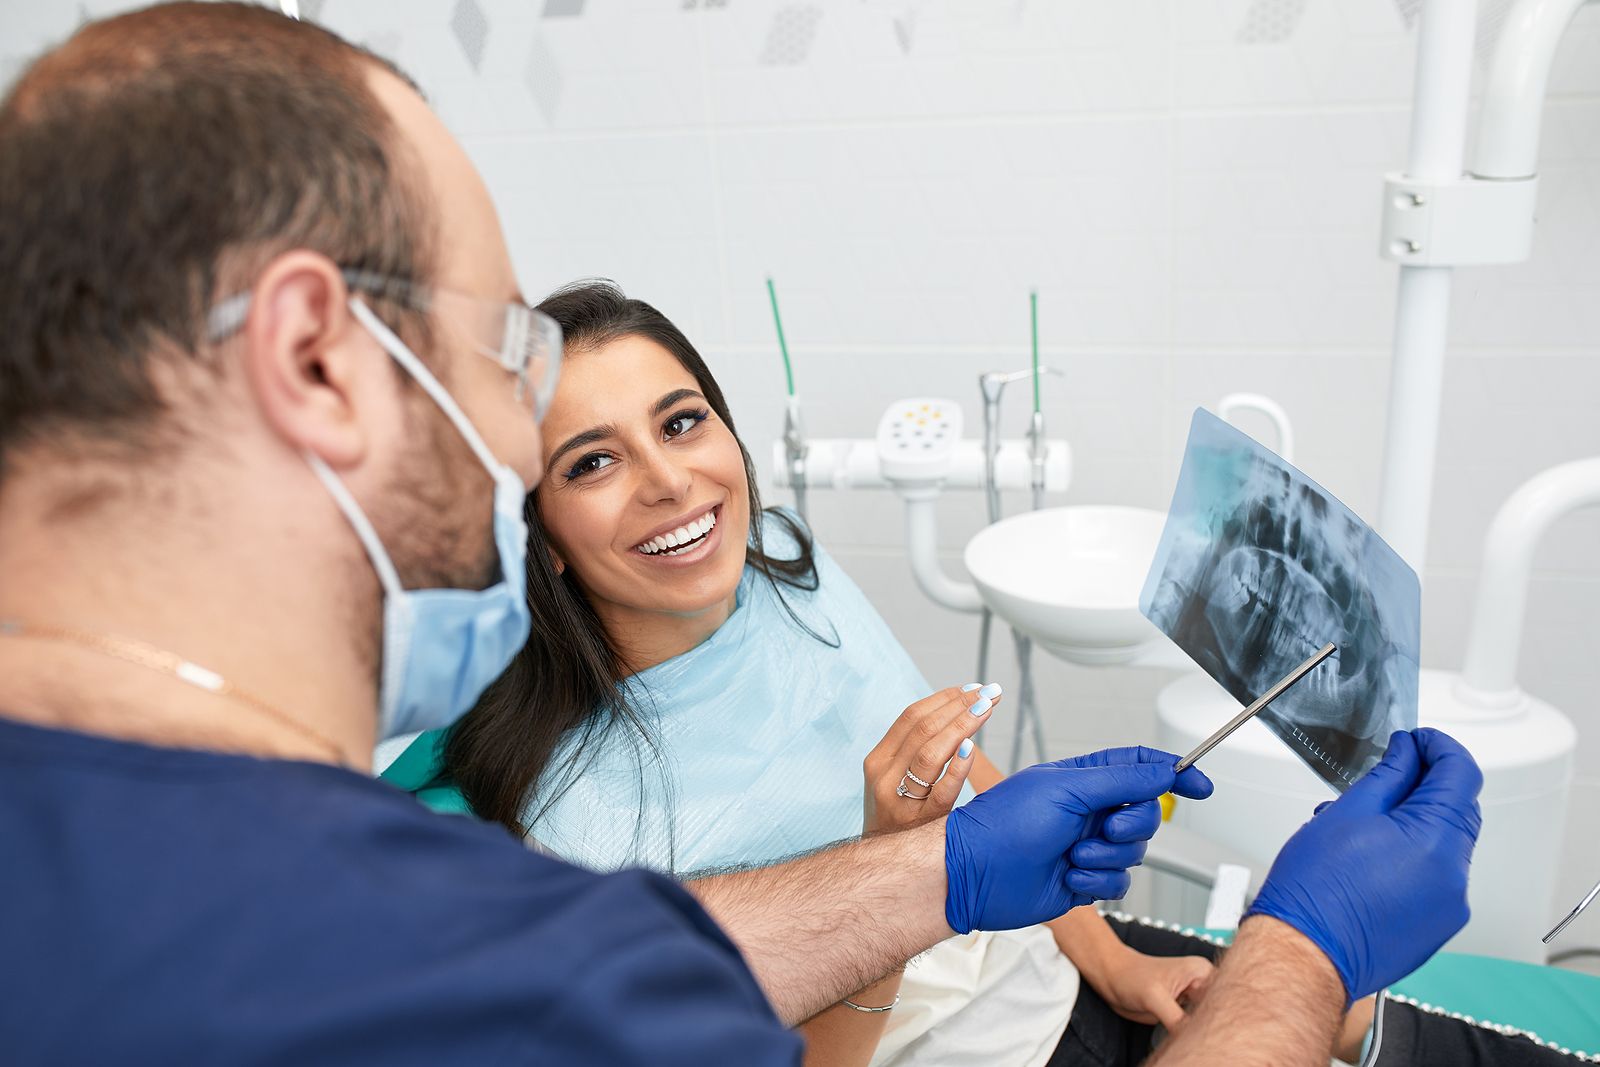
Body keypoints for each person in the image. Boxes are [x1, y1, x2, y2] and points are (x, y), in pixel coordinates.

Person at [0, 4, 1492, 1064]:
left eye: (683, 421)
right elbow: (568, 975)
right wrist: (1297, 954)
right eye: (504, 359)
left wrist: (946, 865)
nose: (518, 433)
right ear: (319, 359)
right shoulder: (476, 953)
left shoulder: (131, 877)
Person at [379, 280, 1222, 1066]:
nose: (671, 481)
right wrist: (896, 871)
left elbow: (956, 776)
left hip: (1048, 965)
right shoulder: (583, 825)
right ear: (544, 537)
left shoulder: (781, 556)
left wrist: (1115, 963)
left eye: (679, 422)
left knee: (1317, 995)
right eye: (592, 462)